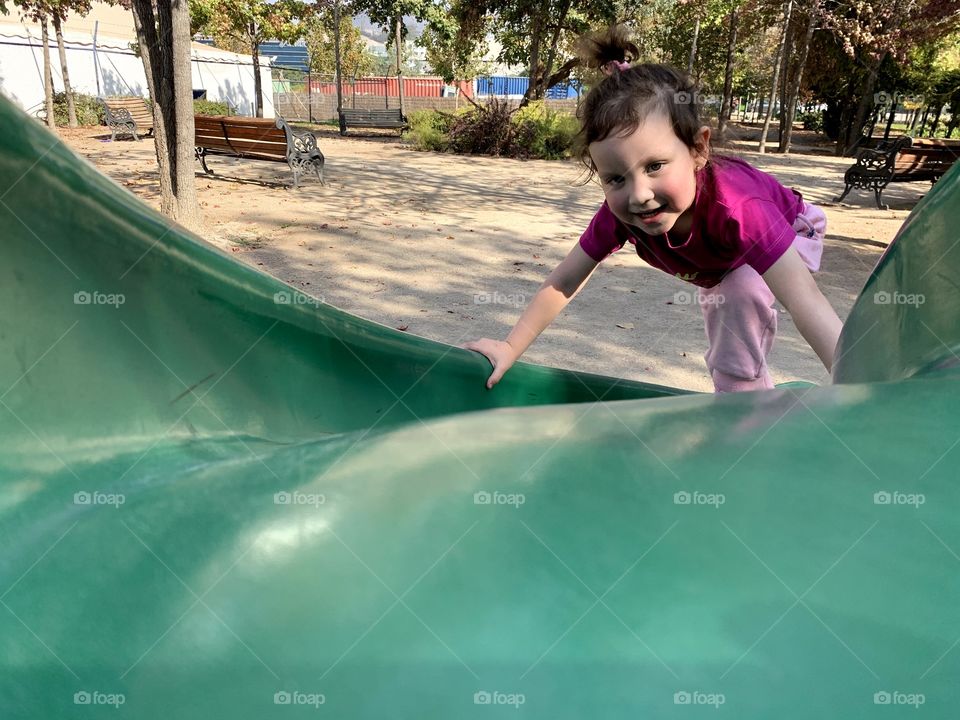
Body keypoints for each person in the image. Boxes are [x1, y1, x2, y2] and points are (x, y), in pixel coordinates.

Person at [465, 26, 843, 393]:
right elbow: (563, 281)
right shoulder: (619, 215)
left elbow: (804, 299)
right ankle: (744, 395)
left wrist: (857, 385)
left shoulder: (741, 208)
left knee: (739, 291)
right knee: (730, 289)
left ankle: (741, 398)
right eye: (615, 179)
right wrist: (510, 346)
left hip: (793, 229)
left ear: (698, 149)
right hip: (721, 262)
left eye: (655, 166)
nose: (639, 195)